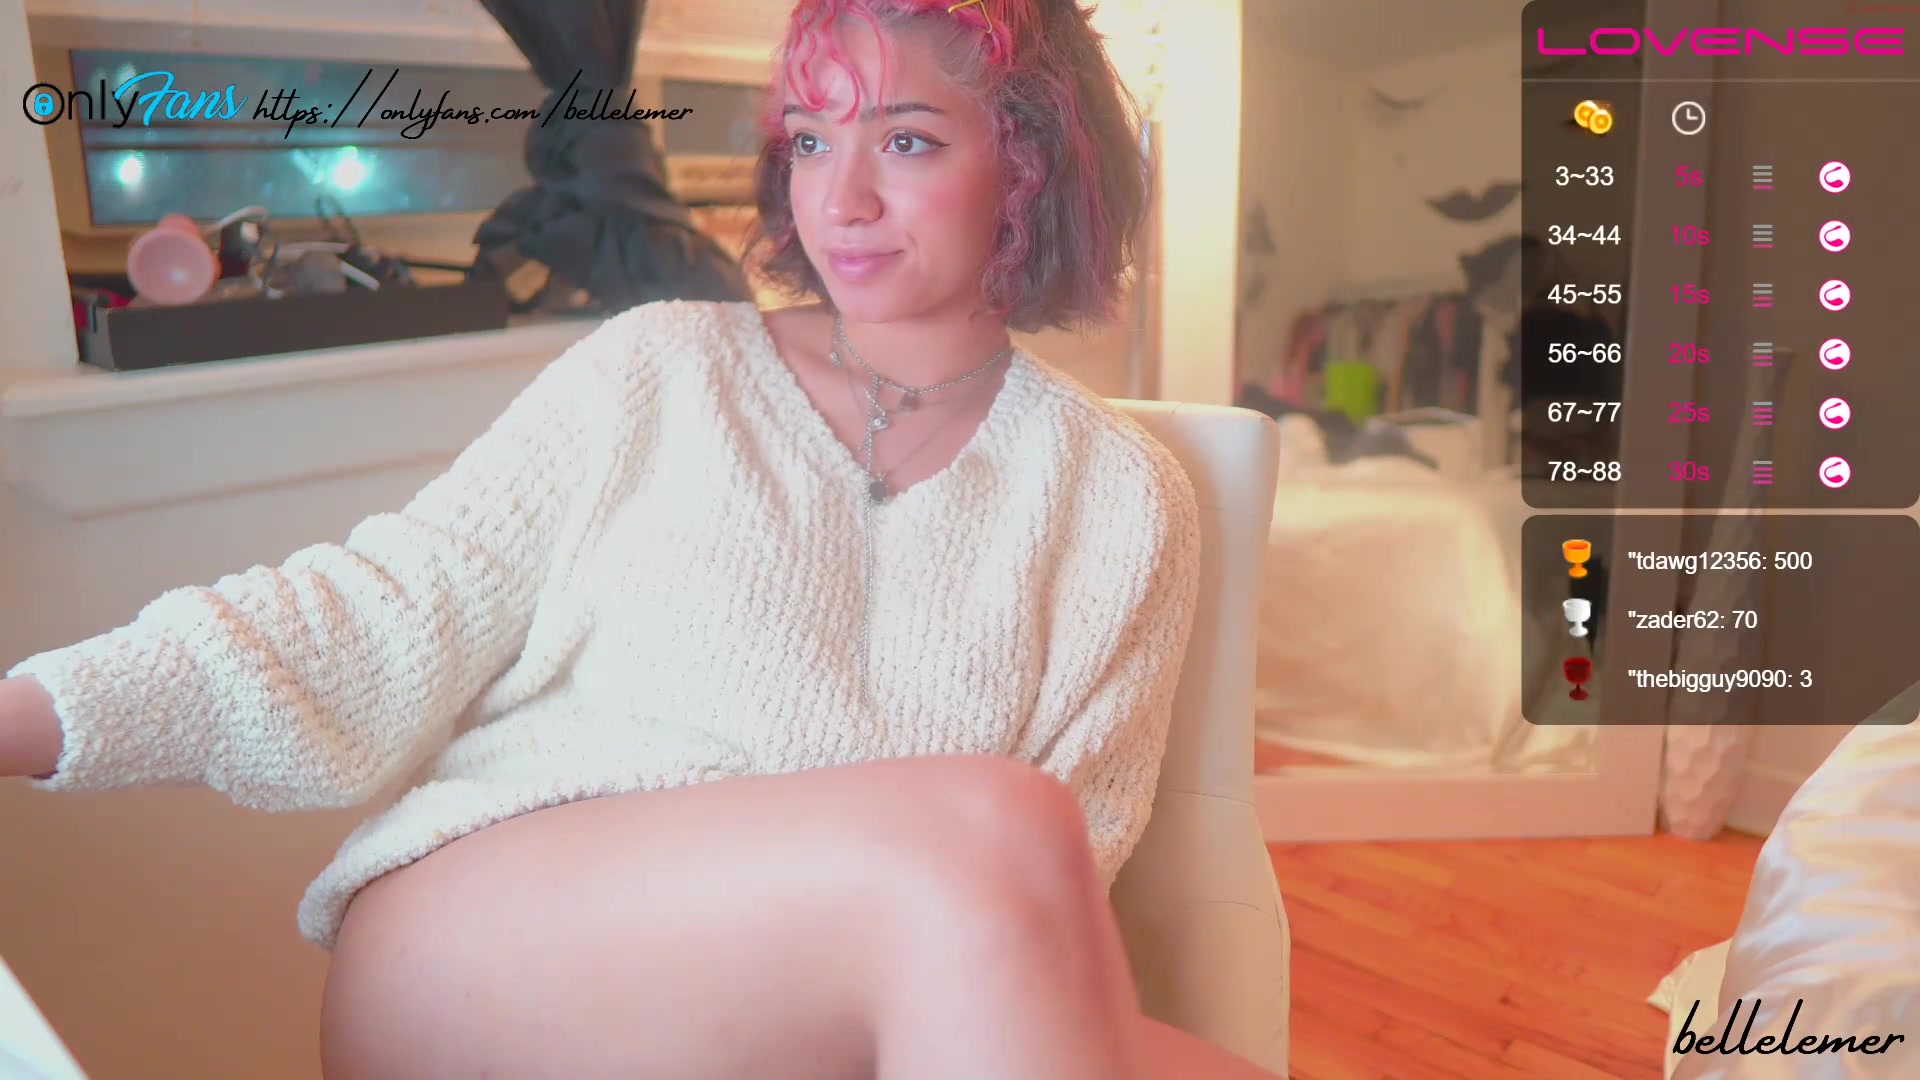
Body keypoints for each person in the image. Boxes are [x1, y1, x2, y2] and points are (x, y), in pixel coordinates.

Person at [0, 2, 1280, 1078]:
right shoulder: (662, 367)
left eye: (907, 138)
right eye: (812, 139)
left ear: (1032, 163)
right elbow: (374, 614)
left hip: (822, 1006)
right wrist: (30, 713)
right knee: (1000, 828)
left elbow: (1057, 894)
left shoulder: (1123, 503)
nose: (841, 197)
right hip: (488, 940)